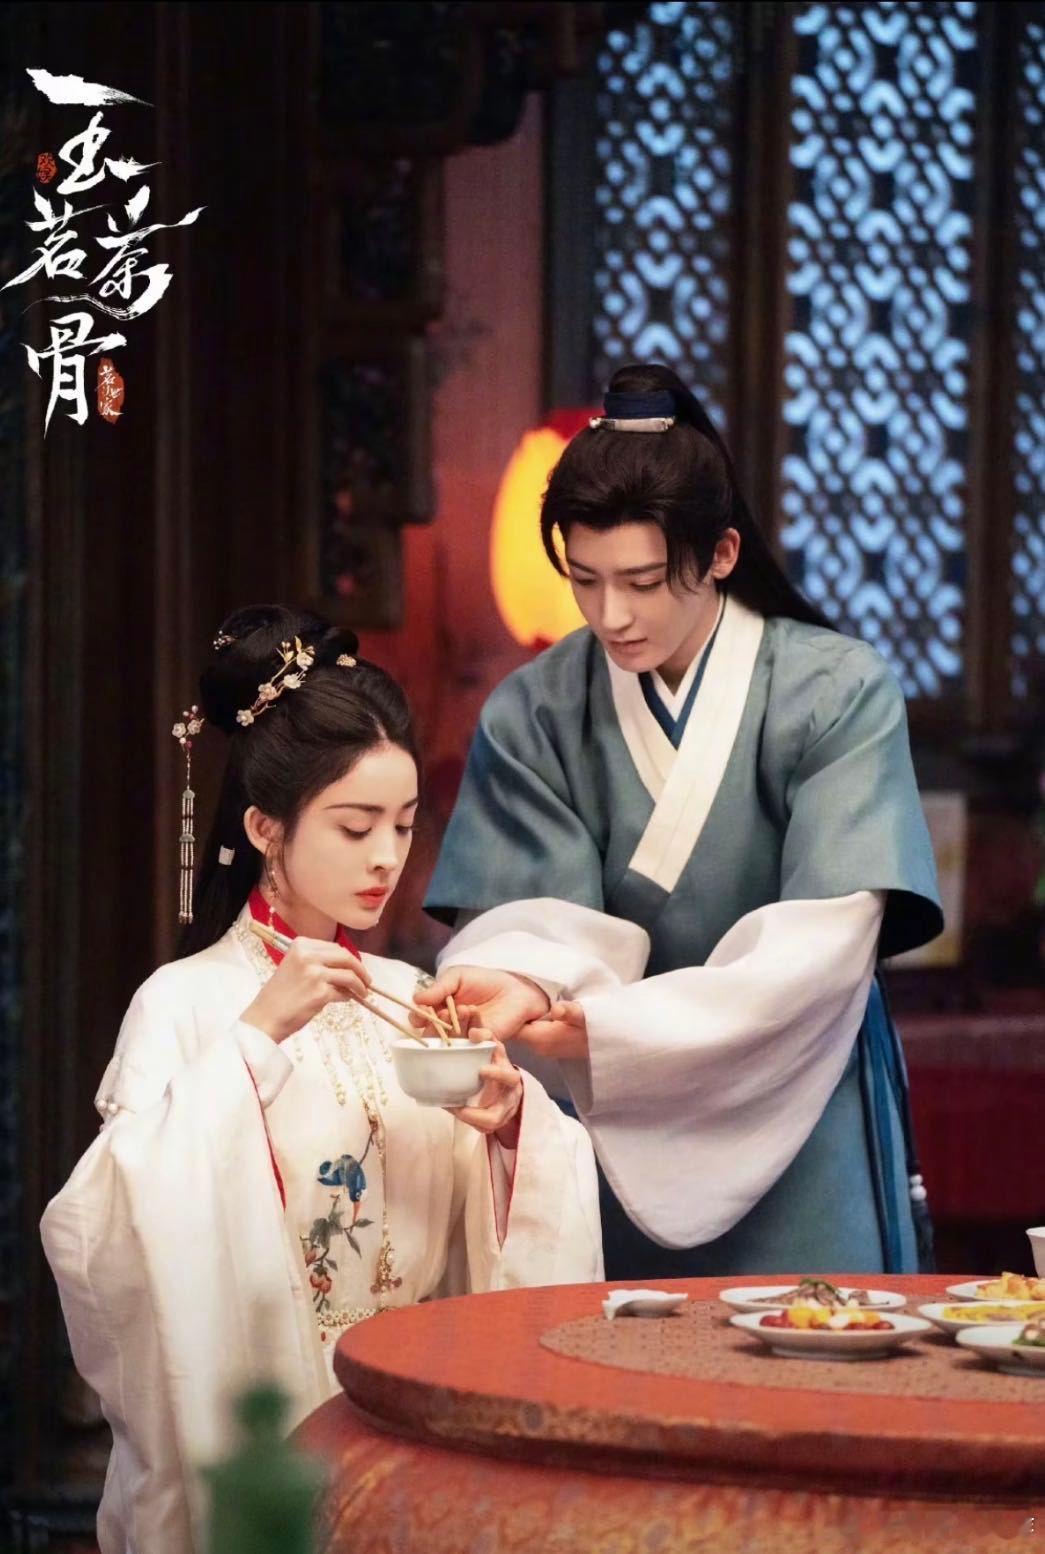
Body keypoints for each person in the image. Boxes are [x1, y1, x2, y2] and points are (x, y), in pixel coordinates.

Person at [41, 606, 601, 1554]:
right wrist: (258, 1036)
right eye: (353, 826)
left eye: (404, 825)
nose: (386, 857)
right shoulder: (186, 1005)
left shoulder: (411, 998)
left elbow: (490, 1241)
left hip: (410, 1428)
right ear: (266, 827)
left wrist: (513, 1134)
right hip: (269, 1436)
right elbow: (105, 1230)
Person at [420, 363, 942, 1282]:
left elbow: (822, 943)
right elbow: (533, 920)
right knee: (597, 1341)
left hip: (792, 1071)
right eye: (584, 580)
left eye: (642, 581)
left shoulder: (833, 690)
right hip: (603, 1096)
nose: (610, 615)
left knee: (814, 1338)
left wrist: (616, 1030)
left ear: (722, 554)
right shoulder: (535, 709)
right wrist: (524, 985)